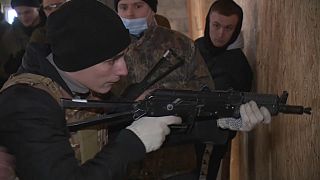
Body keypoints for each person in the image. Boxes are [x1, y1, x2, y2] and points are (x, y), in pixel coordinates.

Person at [0, 0, 182, 179]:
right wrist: (134, 142)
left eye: (123, 57)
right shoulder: (26, 104)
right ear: (77, 59)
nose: (123, 70)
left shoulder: (83, 85)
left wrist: (133, 111)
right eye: (111, 61)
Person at [113, 0, 270, 179]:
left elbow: (204, 97)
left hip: (176, 160)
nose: (130, 14)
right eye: (123, 7)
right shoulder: (106, 47)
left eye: (138, 6)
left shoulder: (181, 45)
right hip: (123, 162)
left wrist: (224, 120)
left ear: (152, 9)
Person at [195, 1, 253, 179]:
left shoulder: (240, 67)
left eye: (229, 28)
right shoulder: (196, 47)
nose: (220, 34)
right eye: (216, 25)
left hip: (211, 142)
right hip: (182, 135)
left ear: (236, 29)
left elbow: (237, 114)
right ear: (208, 23)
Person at [0, 0, 46, 87]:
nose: (23, 17)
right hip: (20, 87)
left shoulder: (52, 31)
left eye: (27, 12)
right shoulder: (9, 36)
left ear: (38, 8)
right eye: (19, 13)